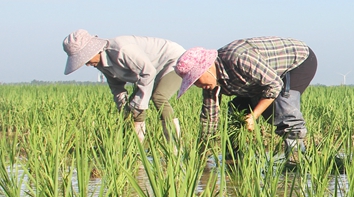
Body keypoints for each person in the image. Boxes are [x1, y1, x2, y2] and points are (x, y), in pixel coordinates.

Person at [174, 37, 316, 161]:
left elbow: (274, 84)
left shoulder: (239, 59)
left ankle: (297, 157)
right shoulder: (210, 84)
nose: (198, 85)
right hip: (262, 77)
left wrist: (254, 116)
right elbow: (209, 119)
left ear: (207, 68)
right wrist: (201, 153)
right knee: (238, 110)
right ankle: (234, 157)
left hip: (298, 62)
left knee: (280, 107)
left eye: (196, 79)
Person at [62, 29, 185, 140]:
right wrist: (124, 109)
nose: (87, 64)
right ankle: (135, 147)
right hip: (150, 69)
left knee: (158, 97)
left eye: (85, 59)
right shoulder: (101, 64)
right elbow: (116, 87)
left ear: (93, 50)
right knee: (133, 107)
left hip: (173, 60)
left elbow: (148, 72)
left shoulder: (122, 50)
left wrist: (138, 105)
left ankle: (173, 145)